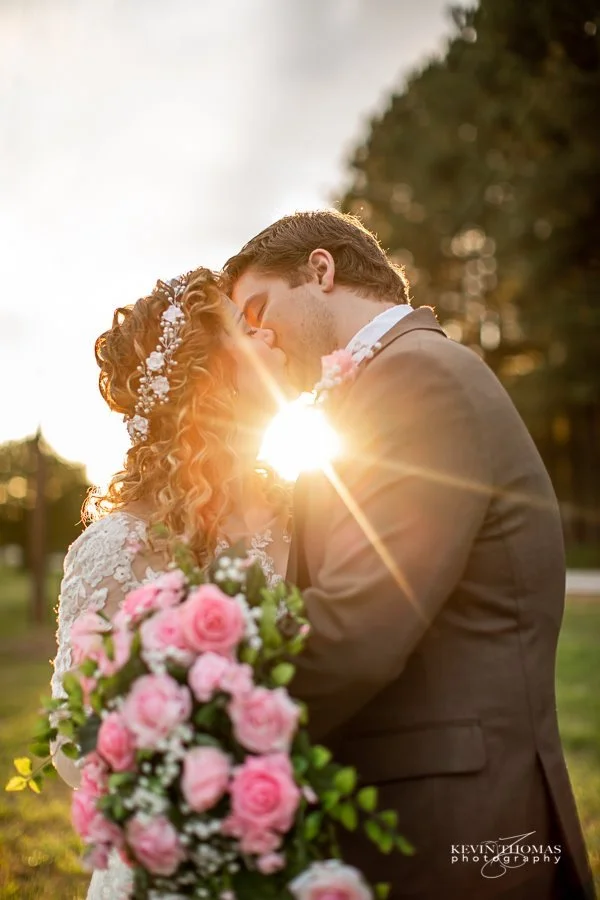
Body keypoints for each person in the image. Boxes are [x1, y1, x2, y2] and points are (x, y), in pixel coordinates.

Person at [224, 209, 596, 899]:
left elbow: (358, 630)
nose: (257, 337)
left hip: (454, 825)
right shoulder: (393, 380)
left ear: (321, 269)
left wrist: (205, 719)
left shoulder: (414, 378)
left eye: (257, 308)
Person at [51, 268, 292, 900]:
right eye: (248, 329)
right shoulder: (112, 550)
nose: (271, 337)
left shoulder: (314, 521)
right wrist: (186, 774)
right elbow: (71, 747)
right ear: (210, 381)